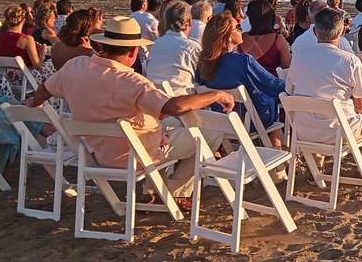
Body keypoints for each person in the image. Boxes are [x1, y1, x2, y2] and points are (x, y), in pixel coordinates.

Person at [29, 16, 230, 205]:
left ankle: (154, 190)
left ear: (102, 45)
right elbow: (175, 106)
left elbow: (45, 88)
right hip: (139, 156)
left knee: (166, 126)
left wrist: (34, 105)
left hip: (97, 153)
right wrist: (216, 95)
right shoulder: (132, 82)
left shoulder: (75, 67)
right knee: (211, 135)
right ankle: (173, 192)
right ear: (133, 51)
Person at [285, 8, 362, 173]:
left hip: (304, 131)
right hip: (339, 133)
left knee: (317, 106)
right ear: (342, 31)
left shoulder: (299, 57)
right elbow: (359, 106)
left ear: (315, 31)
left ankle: (316, 171)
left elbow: (290, 91)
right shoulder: (350, 61)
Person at [196, 14, 285, 148]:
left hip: (220, 120)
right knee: (276, 101)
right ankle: (277, 153)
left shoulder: (203, 64)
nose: (241, 29)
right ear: (228, 35)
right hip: (250, 121)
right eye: (237, 27)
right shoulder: (243, 61)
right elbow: (273, 84)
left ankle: (277, 153)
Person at [145, 0, 202, 95]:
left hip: (155, 97)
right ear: (188, 23)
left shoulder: (155, 44)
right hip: (182, 100)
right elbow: (204, 75)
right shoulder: (191, 46)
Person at [0, 5, 52, 83]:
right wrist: (42, 53)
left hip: (9, 80)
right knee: (52, 63)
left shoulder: (0, 39)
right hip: (27, 80)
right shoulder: (26, 39)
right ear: (23, 20)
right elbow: (38, 67)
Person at [239, 0, 292, 77]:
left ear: (250, 18)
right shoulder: (277, 39)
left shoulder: (241, 38)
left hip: (245, 86)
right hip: (271, 86)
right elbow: (287, 67)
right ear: (270, 17)